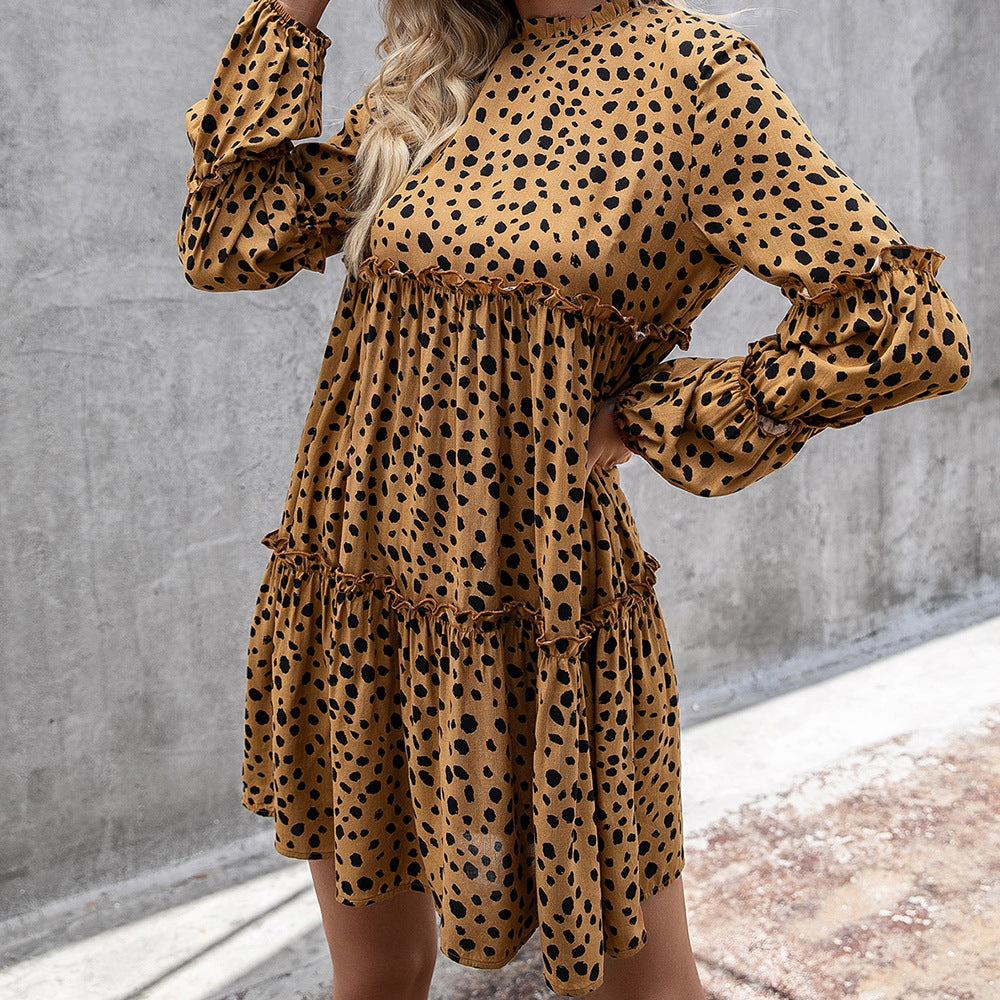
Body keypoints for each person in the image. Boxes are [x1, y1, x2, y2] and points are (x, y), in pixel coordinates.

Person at [177, 0, 971, 997]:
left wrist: (656, 414)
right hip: (358, 571)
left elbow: (902, 326)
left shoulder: (693, 73)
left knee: (641, 986)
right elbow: (224, 238)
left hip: (540, 599)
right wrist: (295, 11)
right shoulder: (437, 68)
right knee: (375, 976)